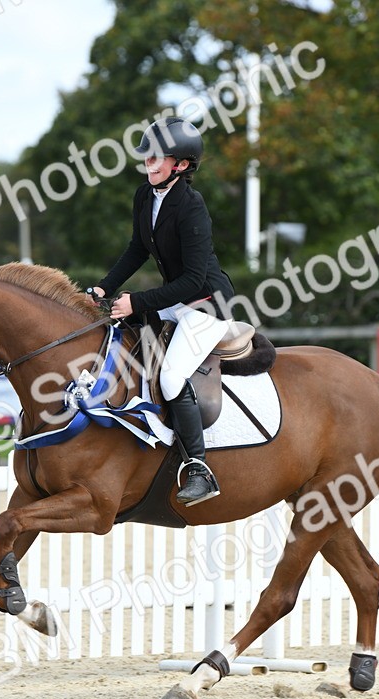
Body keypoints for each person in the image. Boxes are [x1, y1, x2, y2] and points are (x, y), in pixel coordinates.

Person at [89, 117, 236, 506]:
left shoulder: (192, 207)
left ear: (181, 165)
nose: (148, 163)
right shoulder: (145, 195)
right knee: (119, 332)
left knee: (171, 377)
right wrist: (104, 287)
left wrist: (138, 302)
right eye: (147, 156)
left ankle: (199, 469)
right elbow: (137, 249)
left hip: (207, 304)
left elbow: (193, 280)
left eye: (157, 157)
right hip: (178, 301)